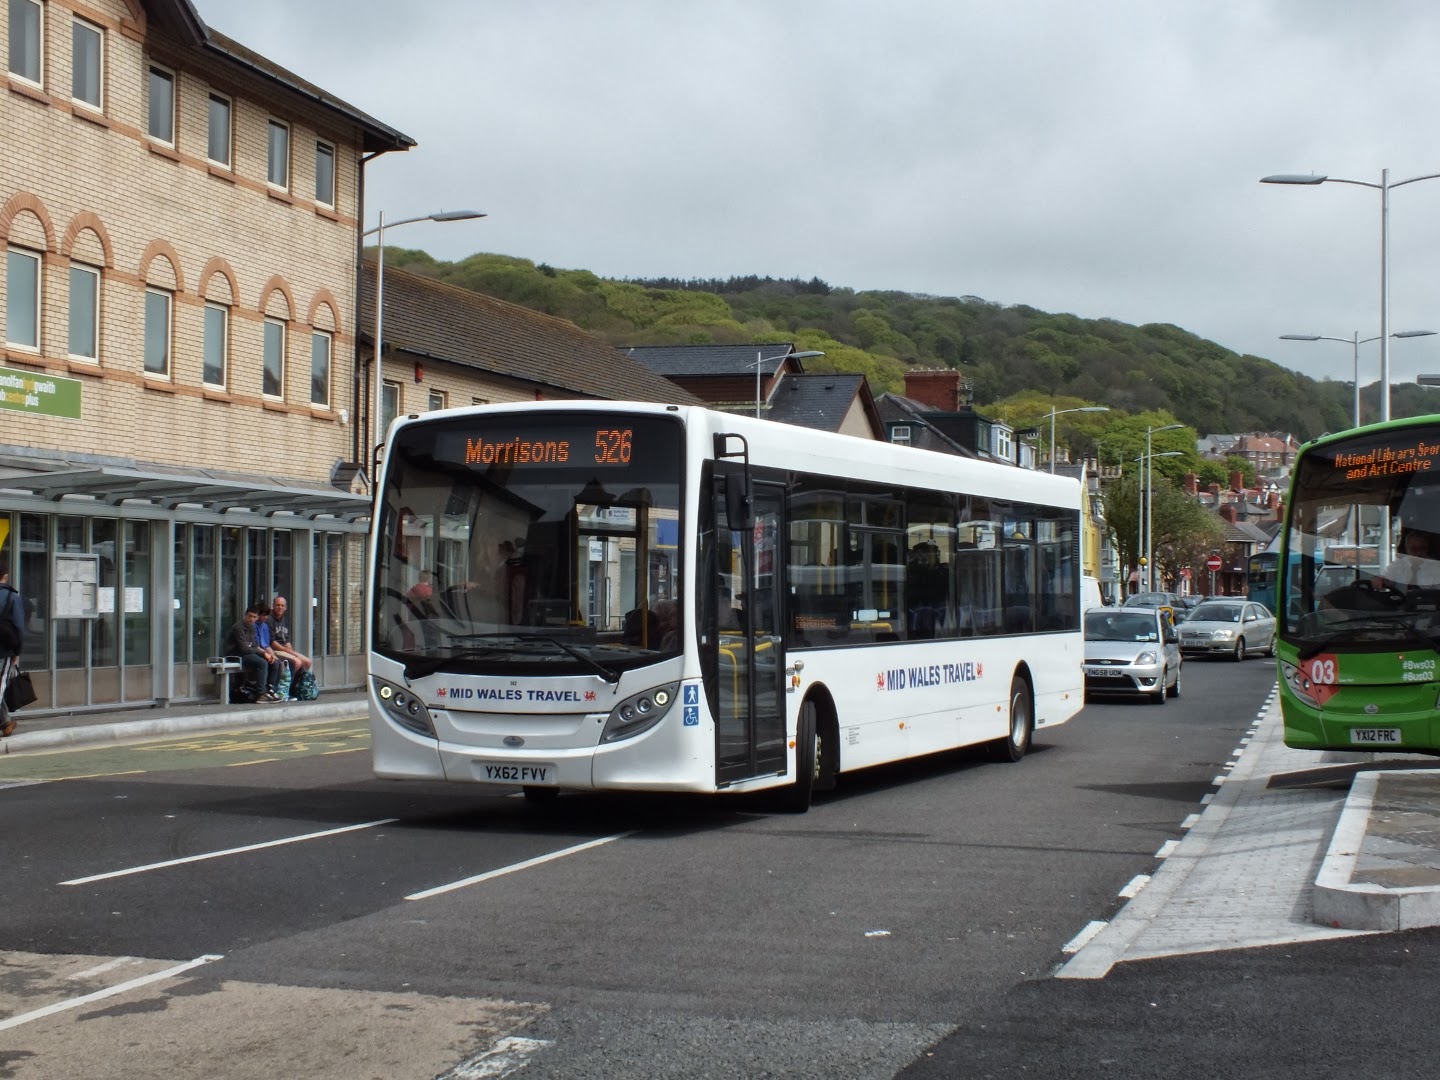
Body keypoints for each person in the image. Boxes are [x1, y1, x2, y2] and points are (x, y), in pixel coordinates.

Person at [227, 603, 282, 702]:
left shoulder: (252, 627)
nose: (251, 619)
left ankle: (270, 689)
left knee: (275, 662)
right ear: (245, 615)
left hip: (248, 653)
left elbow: (255, 646)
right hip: (236, 654)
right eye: (250, 616)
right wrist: (262, 653)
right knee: (262, 662)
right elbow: (243, 648)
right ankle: (260, 693)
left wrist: (267, 654)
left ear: (257, 618)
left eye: (254, 617)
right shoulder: (238, 627)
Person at [268, 595, 312, 697]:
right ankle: (285, 689)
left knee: (307, 662)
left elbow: (287, 640)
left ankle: (296, 687)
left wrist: (292, 651)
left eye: (282, 605)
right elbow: (272, 642)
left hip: (284, 649)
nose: (280, 607)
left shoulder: (284, 620)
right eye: (278, 605)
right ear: (273, 606)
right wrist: (288, 652)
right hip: (274, 650)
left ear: (286, 608)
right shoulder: (269, 620)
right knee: (296, 662)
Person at [0, 560, 24, 737]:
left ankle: (5, 723)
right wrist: (17, 652)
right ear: (6, 576)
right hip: (4, 650)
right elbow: (19, 627)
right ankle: (5, 723)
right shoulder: (12, 597)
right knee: (0, 687)